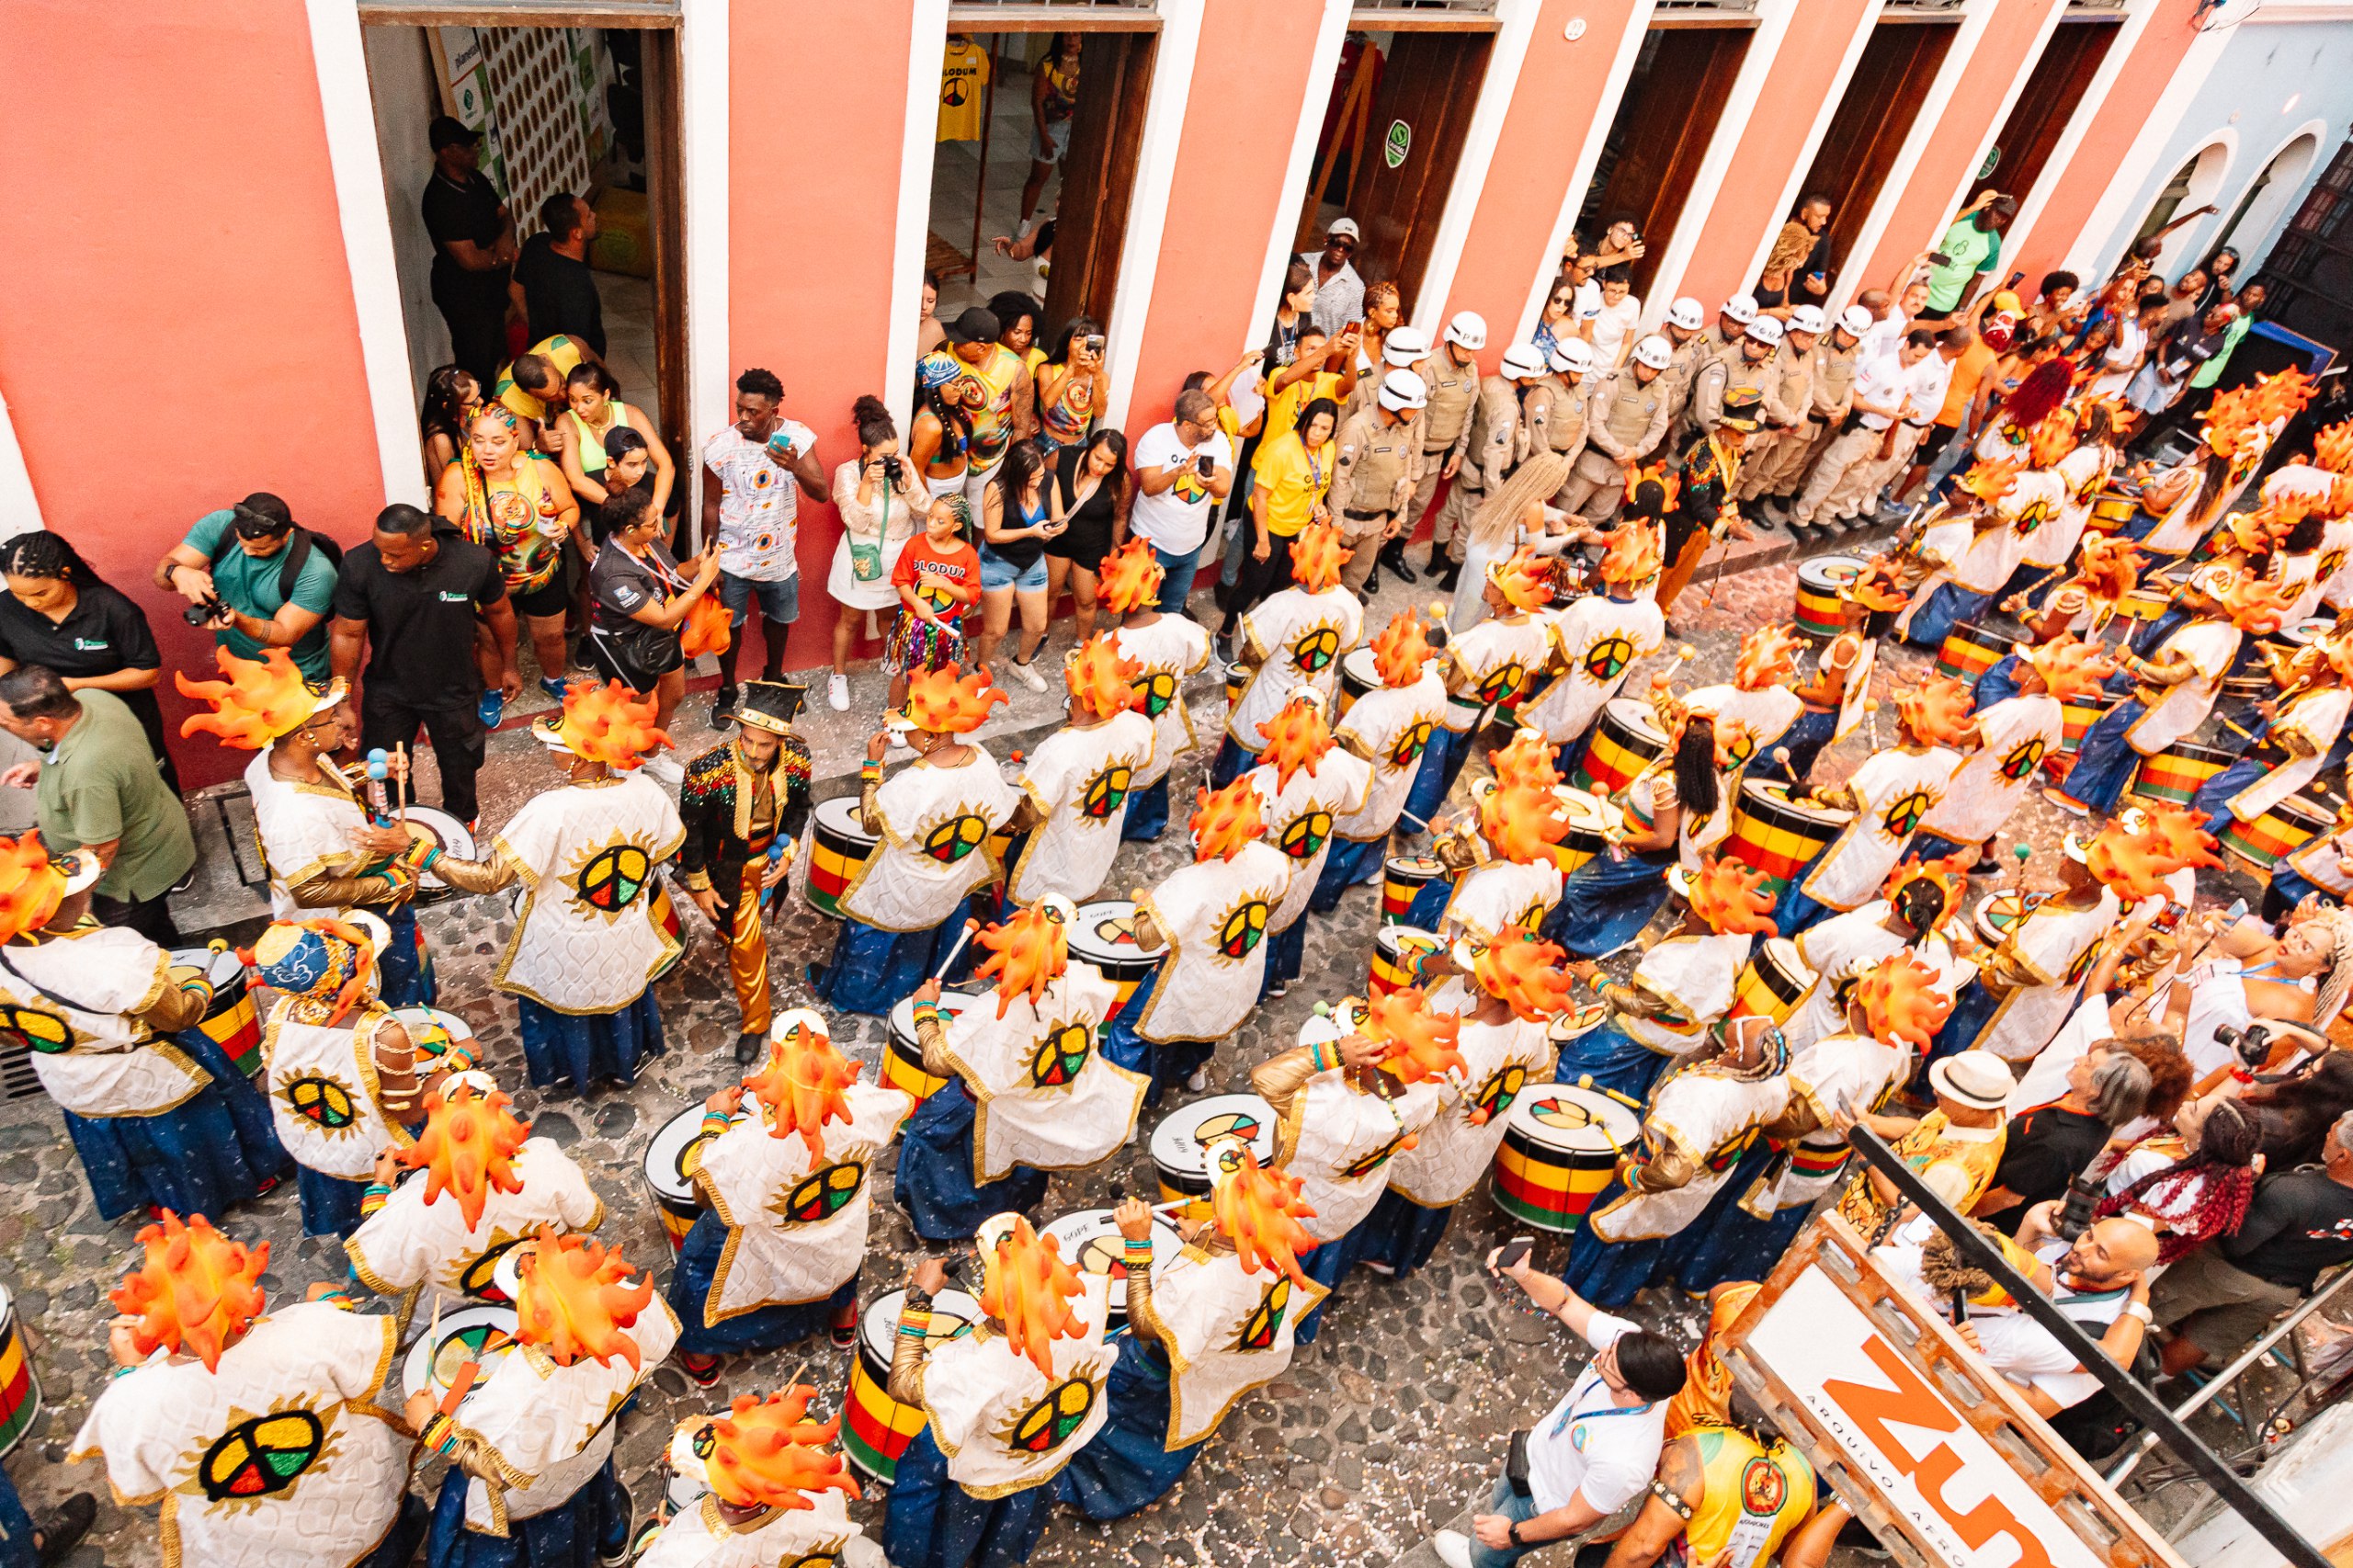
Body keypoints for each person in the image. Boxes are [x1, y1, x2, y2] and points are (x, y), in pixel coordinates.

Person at [76, 1213, 426, 1568]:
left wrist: (130, 1370)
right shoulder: (311, 1331)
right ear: (241, 1280)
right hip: (355, 1510)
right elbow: (357, 1364)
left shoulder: (131, 1403)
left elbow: (139, 1482)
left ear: (148, 1316)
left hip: (262, 1551)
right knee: (386, 1546)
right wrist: (330, 1302)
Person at [0, 834, 287, 1222]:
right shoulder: (115, 953)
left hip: (67, 1075)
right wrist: (199, 987)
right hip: (141, 1068)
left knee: (121, 1134)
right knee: (182, 1129)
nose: (82, 895)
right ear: (47, 912)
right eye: (67, 893)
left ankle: (153, 1196)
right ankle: (219, 1190)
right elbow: (180, 1015)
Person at [180, 650, 456, 1004]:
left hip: (367, 888)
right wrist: (391, 882)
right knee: (385, 994)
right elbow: (309, 891)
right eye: (331, 718)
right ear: (303, 736)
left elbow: (331, 786)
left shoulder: (281, 755)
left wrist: (369, 771)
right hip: (347, 922)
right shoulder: (291, 813)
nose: (343, 722)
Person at [1054, 1162, 1323, 1520]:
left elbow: (1147, 1324)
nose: (1211, 1192)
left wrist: (1137, 1244)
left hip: (1154, 1367)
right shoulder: (1270, 1238)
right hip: (1206, 1360)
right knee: (1175, 1423)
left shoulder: (1204, 1285)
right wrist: (1203, 1237)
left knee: (1121, 1428)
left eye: (1217, 1190)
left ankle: (1111, 1491)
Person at [1674, 954, 1949, 1293]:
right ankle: (1731, 1278)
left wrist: (1748, 1105)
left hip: (1787, 1161)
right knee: (1764, 1232)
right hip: (1826, 1162)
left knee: (1737, 1223)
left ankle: (1702, 1278)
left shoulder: (1840, 1061)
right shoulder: (1895, 1052)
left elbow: (1791, 1122)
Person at [669, 1014, 910, 1382]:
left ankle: (701, 1353)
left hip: (772, 1241)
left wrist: (716, 1119)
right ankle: (842, 1318)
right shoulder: (866, 1106)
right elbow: (895, 1103)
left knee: (698, 1259)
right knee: (844, 1241)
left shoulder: (754, 1143)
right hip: (834, 1232)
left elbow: (703, 1193)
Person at [416, 1231, 674, 1565]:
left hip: (531, 1498)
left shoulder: (523, 1393)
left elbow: (490, 1466)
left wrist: (428, 1423)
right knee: (589, 1495)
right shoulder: (629, 1321)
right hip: (592, 1453)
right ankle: (611, 1539)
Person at [894, 901, 1146, 1241]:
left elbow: (938, 1061)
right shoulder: (1084, 980)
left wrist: (925, 1010)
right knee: (1028, 1155)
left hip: (980, 1106)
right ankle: (1016, 1213)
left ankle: (945, 1223)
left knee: (927, 1137)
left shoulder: (990, 1013)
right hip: (1047, 1103)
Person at [482, 682, 687, 1094]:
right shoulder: (648, 792)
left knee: (568, 997)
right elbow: (662, 851)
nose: (548, 750)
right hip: (624, 935)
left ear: (580, 753)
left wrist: (423, 856)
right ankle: (623, 1061)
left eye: (556, 743)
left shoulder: (550, 810)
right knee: (620, 988)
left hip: (565, 943)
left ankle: (570, 1070)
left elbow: (490, 878)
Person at [1427, 1250, 1686, 1568]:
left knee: (1487, 1553)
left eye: (1609, 1363)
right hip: (1531, 1457)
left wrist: (1512, 1535)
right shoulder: (1626, 1345)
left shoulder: (1627, 1461)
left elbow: (1574, 1519)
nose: (1602, 1352)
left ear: (1632, 1395)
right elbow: (1566, 1303)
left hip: (1545, 1505)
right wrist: (1524, 1274)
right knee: (1498, 1502)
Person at [883, 1218, 1116, 1568]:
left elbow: (902, 1383)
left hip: (985, 1454)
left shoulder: (973, 1366)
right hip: (1046, 1451)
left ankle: (912, 1559)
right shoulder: (1086, 1302)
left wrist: (919, 1297)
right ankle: (998, 1555)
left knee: (921, 1483)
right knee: (1022, 1500)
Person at [811, 664, 1020, 1016]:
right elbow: (1004, 813)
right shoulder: (982, 758)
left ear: (931, 736)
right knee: (941, 922)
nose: (903, 735)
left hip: (906, 882)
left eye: (910, 730)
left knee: (876, 930)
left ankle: (862, 995)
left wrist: (872, 768)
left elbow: (871, 822)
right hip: (953, 877)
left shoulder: (916, 782)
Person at [1359, 928, 1566, 1276]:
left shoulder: (1464, 1043)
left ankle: (1383, 1252)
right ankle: (1411, 1253)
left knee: (1406, 1195)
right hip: (1477, 1137)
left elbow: (1424, 1105)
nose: (1464, 970)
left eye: (1473, 968)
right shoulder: (1532, 1027)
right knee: (1440, 1195)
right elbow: (1537, 1064)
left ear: (1485, 988)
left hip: (1437, 1142)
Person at [1250, 986, 1455, 1335]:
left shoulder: (1328, 1109)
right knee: (1328, 1264)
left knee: (1282, 1279)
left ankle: (1280, 1328)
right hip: (1357, 1199)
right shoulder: (1424, 1093)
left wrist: (1333, 1052)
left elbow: (1265, 1079)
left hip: (1301, 1210)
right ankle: (1307, 1322)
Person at [345, 1083, 602, 1327]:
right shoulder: (546, 1163)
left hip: (464, 1308)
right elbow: (590, 1217)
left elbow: (375, 1269)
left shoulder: (410, 1210)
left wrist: (380, 1188)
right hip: (555, 1287)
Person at [1103, 776, 1290, 1102]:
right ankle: (1192, 1071)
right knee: (1207, 1022)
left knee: (1132, 1029)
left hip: (1188, 978)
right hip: (1236, 972)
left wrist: (1143, 908)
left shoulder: (1191, 883)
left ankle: (1126, 1106)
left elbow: (1148, 940)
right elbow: (1271, 906)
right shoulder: (1272, 860)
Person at [329, 502, 516, 828]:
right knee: (386, 767)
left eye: (395, 555)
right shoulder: (359, 565)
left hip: (453, 687)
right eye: (380, 550)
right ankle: (402, 824)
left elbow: (499, 613)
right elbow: (348, 633)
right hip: (389, 688)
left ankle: (462, 824)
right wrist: (341, 699)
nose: (384, 560)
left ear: (425, 545)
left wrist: (509, 666)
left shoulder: (472, 561)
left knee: (460, 763)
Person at [247, 912, 430, 1236]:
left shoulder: (280, 1014)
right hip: (379, 1158)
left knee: (351, 1228)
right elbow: (409, 1113)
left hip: (320, 1145)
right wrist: (450, 1070)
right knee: (399, 1228)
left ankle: (354, 1244)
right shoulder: (384, 1033)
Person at [0, 669, 193, 943]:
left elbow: (102, 848)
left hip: (129, 878)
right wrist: (44, 765)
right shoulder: (92, 699)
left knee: (138, 942)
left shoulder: (85, 775)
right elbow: (102, 762)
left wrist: (78, 904)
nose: (4, 726)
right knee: (156, 924)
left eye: (6, 723)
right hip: (159, 827)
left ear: (43, 723)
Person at [1769, 676, 1970, 937]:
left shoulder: (1887, 763)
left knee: (1801, 903)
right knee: (1833, 919)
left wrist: (1812, 790)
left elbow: (1848, 802)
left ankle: (1763, 952)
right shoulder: (1945, 762)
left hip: (1852, 851)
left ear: (1904, 721)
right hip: (1883, 857)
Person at [676, 682, 813, 1062]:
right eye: (747, 740)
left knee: (743, 944)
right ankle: (757, 1020)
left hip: (767, 866)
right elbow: (690, 833)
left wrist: (789, 853)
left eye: (764, 745)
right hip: (725, 871)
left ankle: (754, 1022)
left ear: (782, 740)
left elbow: (801, 808)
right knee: (745, 944)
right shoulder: (705, 770)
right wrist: (700, 886)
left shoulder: (798, 759)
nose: (753, 752)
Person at [634, 1385, 881, 1567]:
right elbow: (810, 1450)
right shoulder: (826, 1495)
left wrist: (654, 1539)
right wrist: (790, 1424)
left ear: (742, 1494)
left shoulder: (689, 1553)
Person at [701, 367, 824, 725]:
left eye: (752, 411)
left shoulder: (797, 438)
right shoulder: (721, 446)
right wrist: (710, 561)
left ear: (773, 409)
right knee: (730, 628)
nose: (743, 417)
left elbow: (821, 493)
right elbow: (711, 505)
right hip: (733, 560)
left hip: (779, 557)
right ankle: (727, 689)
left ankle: (774, 677)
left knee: (779, 621)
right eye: (740, 408)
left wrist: (795, 465)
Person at [0, 532, 174, 785]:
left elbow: (147, 674)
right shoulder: (5, 610)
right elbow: (6, 674)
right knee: (85, 790)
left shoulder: (111, 608)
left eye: (41, 593)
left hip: (123, 721)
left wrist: (77, 684)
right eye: (19, 594)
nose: (29, 603)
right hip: (60, 728)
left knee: (143, 790)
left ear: (65, 574)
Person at [434, 406, 580, 702]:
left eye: (498, 442)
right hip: (488, 583)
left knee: (551, 637)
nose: (487, 450)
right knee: (491, 643)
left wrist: (563, 527)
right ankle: (493, 690)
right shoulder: (458, 477)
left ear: (515, 441)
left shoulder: (540, 468)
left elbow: (570, 508)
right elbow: (447, 539)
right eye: (478, 440)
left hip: (542, 573)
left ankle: (553, 679)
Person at [1312, 608, 1448, 907]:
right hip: (1402, 772)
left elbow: (1353, 762)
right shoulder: (1434, 685)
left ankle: (1324, 894)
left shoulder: (1372, 707)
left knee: (1350, 832)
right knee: (1383, 819)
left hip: (1370, 782)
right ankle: (1371, 871)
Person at [1215, 522, 1363, 784]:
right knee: (1300, 752)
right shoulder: (1348, 602)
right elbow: (1348, 645)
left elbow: (1252, 654)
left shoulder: (1282, 604)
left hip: (1272, 700)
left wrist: (1246, 659)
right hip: (1315, 695)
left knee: (1253, 749)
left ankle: (1235, 788)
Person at [1245, 689, 1370, 999]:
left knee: (1262, 924)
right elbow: (1353, 804)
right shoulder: (1341, 765)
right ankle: (1280, 978)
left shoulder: (1258, 782)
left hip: (1267, 874)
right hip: (1310, 859)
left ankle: (1255, 989)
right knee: (1296, 907)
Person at [587, 483, 721, 756]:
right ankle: (624, 758)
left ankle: (651, 754)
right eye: (652, 523)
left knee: (674, 694)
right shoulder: (612, 573)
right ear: (630, 530)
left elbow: (673, 575)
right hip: (623, 644)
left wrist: (698, 563)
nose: (659, 525)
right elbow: (662, 617)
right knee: (640, 705)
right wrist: (705, 579)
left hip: (659, 634)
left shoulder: (645, 541)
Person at [157, 493, 342, 684]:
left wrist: (236, 619)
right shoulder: (220, 525)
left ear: (287, 534)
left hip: (297, 678)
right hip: (241, 672)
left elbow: (284, 633)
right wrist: (176, 572)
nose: (248, 552)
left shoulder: (317, 571)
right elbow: (161, 578)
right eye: (242, 542)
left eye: (260, 549)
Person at [1970, 1043, 2153, 1230]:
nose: (2078, 1060)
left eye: (2088, 1063)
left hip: (1981, 1217)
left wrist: (1961, 1211)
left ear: (2097, 1090)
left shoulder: (2060, 1144)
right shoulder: (2088, 1107)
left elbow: (2007, 1198)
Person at [1836, 1049, 2015, 1238]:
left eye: (1946, 1094)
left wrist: (1867, 1154)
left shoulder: (1955, 1171)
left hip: (1869, 1236)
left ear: (1974, 1109)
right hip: (1857, 1207)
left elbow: (1906, 1213)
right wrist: (1869, 1122)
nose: (1935, 1092)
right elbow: (1922, 1129)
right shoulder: (1978, 1116)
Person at [1222, 397, 1339, 649]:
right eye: (1314, 425)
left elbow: (1318, 483)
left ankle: (1262, 632)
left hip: (1297, 528)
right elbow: (1260, 495)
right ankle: (1224, 633)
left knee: (1280, 585)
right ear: (1305, 421)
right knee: (1255, 583)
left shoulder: (1328, 449)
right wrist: (1263, 541)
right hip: (1267, 524)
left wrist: (1318, 504)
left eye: (1325, 428)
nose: (1317, 434)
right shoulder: (1283, 449)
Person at [420, 115, 516, 384]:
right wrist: (502, 258)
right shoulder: (441, 199)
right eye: (466, 146)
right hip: (464, 294)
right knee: (476, 364)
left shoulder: (475, 179)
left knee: (497, 349)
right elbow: (470, 260)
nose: (475, 150)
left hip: (491, 288)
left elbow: (504, 215)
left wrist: (506, 239)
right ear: (446, 152)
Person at [1131, 389, 1234, 612]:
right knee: (1139, 612)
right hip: (1151, 543)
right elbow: (1149, 488)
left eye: (1214, 419)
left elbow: (1223, 489)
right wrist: (1179, 472)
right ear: (1187, 425)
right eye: (1206, 423)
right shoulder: (1156, 438)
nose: (1213, 427)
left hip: (1190, 549)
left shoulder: (1219, 442)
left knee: (1172, 611)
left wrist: (1210, 484)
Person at [1331, 369, 1428, 596]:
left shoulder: (1405, 428)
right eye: (1413, 408)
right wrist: (1336, 524)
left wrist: (1400, 515)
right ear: (1396, 404)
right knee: (1328, 581)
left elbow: (1403, 472)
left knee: (1354, 582)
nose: (1416, 414)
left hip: (1376, 523)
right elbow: (1339, 478)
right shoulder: (1357, 428)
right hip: (1347, 521)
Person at [1557, 335, 1673, 524]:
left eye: (1655, 370)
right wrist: (1620, 451)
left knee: (1598, 516)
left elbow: (1658, 428)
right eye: (1645, 366)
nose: (1648, 373)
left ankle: (1581, 551)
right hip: (1594, 462)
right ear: (1637, 360)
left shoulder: (1661, 390)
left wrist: (1637, 452)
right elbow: (1594, 424)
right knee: (1565, 510)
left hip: (1621, 471)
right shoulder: (1612, 382)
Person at [919, 308, 1029, 503]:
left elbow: (1022, 427)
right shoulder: (946, 350)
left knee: (980, 518)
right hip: (950, 459)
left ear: (981, 347)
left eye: (961, 341)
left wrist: (1010, 471)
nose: (955, 344)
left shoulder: (1015, 370)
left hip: (989, 463)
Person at [886, 495, 983, 711]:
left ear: (956, 526)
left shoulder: (967, 554)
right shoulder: (915, 544)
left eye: (941, 521)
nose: (931, 522)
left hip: (946, 628)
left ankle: (927, 712)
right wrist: (916, 602)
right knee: (905, 672)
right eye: (931, 516)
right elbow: (900, 581)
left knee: (940, 673)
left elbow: (971, 595)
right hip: (914, 624)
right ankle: (894, 715)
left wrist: (943, 584)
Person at [976, 440, 1059, 691]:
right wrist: (1031, 531)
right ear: (1016, 473)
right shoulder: (997, 488)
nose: (1037, 482)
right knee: (996, 631)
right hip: (997, 563)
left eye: (1040, 475)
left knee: (1036, 626)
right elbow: (992, 535)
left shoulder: (1048, 480)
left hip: (1032, 562)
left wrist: (1058, 527)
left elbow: (1058, 517)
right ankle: (980, 670)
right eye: (1031, 478)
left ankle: (1021, 664)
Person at [552, 361, 674, 514]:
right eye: (573, 399)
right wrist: (621, 507)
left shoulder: (631, 414)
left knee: (672, 500)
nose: (579, 408)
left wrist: (656, 510)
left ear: (605, 396)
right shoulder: (566, 422)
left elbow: (665, 464)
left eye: (587, 400)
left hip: (628, 483)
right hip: (594, 495)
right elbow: (576, 480)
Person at [1044, 427, 1129, 644]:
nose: (1100, 467)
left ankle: (1082, 643)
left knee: (1086, 600)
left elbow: (1120, 516)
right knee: (1050, 593)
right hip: (1058, 541)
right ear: (1089, 448)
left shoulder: (1120, 480)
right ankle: (1041, 634)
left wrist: (1114, 552)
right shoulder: (1062, 457)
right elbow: (1041, 485)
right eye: (1097, 458)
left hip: (1092, 546)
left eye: (1109, 464)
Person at [508, 190, 605, 356]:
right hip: (569, 366)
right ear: (577, 233)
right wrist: (602, 370)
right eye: (588, 216)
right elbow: (576, 347)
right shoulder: (576, 284)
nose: (594, 216)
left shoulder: (536, 243)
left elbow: (514, 289)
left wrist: (535, 327)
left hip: (540, 351)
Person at [1921, 190, 2016, 324]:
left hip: (1943, 302)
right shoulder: (1964, 216)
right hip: (1919, 288)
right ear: (1987, 207)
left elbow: (1977, 279)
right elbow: (1934, 234)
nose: (1999, 220)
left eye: (2005, 217)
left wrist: (1961, 309)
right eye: (1998, 213)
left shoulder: (1994, 243)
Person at [1018, 32, 1082, 231]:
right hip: (1051, 127)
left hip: (1076, 127)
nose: (1072, 39)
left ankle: (1064, 222)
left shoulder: (1086, 62)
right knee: (1038, 178)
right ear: (1059, 37)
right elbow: (1036, 102)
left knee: (1069, 180)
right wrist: (1044, 136)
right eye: (1067, 35)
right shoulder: (1047, 64)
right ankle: (1024, 224)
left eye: (1077, 35)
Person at [1036, 318, 1108, 457]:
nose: (1084, 345)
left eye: (1090, 341)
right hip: (1045, 442)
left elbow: (1099, 412)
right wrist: (1072, 368)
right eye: (1078, 339)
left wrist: (1097, 375)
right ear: (1067, 344)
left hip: (1078, 447)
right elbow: (1049, 402)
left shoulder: (1101, 377)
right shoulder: (1047, 369)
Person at [420, 364, 485, 479]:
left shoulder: (460, 419)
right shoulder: (441, 440)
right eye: (473, 402)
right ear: (448, 406)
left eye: (478, 395)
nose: (481, 401)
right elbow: (455, 482)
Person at [1303, 217, 1366, 337]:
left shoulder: (1356, 287)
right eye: (1337, 243)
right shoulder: (1303, 262)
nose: (1341, 250)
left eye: (1348, 247)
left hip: (1323, 350)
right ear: (1326, 240)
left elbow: (1351, 331)